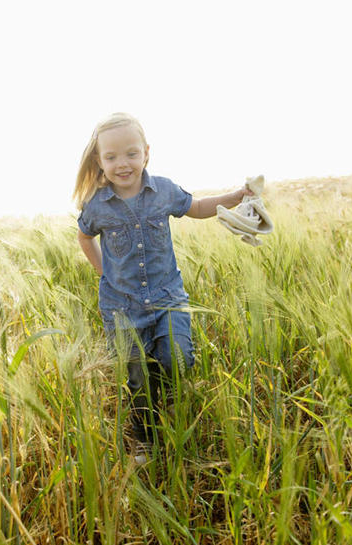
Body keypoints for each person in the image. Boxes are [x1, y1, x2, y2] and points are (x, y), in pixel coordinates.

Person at [74, 112, 253, 463]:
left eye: (131, 153)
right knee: (137, 376)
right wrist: (104, 272)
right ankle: (145, 437)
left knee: (176, 357)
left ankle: (169, 393)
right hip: (122, 306)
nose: (122, 163)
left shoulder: (164, 191)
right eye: (111, 157)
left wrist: (234, 197)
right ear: (99, 160)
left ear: (146, 153)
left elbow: (197, 207)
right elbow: (84, 237)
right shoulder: (96, 206)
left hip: (167, 297)